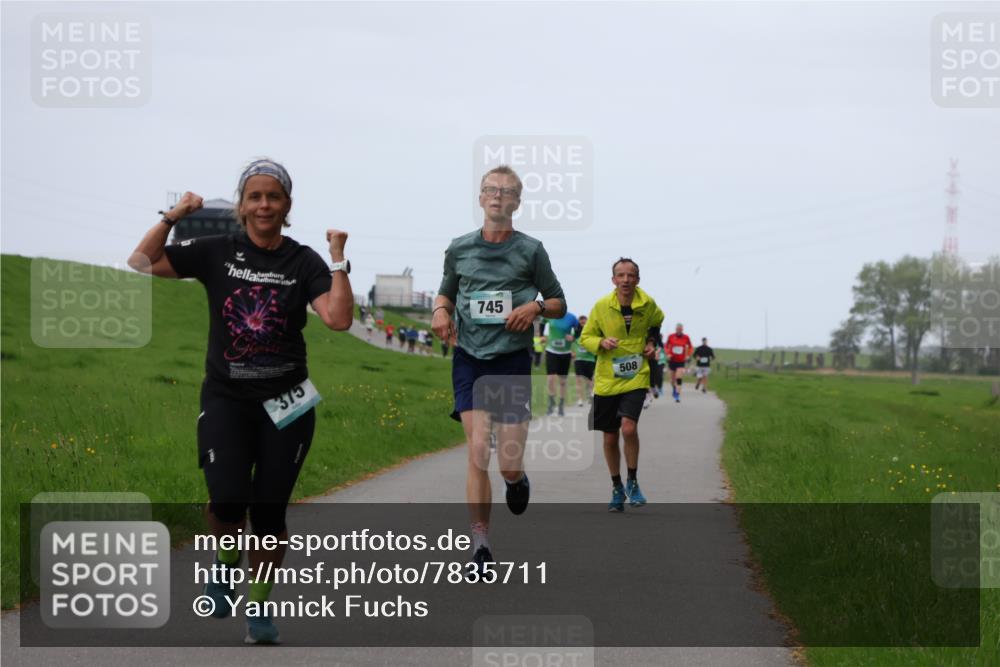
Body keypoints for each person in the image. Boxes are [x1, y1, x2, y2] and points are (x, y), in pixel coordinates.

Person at [127, 158, 353, 644]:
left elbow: (337, 319)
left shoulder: (305, 261)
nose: (264, 205)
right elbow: (141, 262)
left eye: (274, 196)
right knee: (228, 500)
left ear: (287, 205)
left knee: (269, 514)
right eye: (255, 196)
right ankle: (226, 563)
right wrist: (174, 217)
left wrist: (337, 259)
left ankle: (258, 606)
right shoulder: (216, 251)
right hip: (227, 397)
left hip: (288, 402)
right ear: (241, 204)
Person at [432, 165, 566, 571]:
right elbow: (446, 292)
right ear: (480, 198)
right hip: (470, 358)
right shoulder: (459, 248)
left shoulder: (531, 250)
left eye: (506, 192)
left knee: (507, 460)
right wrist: (440, 312)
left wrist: (535, 306)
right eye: (491, 189)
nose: (497, 196)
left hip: (510, 360)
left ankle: (515, 480)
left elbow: (558, 300)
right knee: (477, 452)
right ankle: (481, 546)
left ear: (517, 202)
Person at [580, 258, 663, 513]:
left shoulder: (647, 304)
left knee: (628, 429)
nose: (626, 280)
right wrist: (601, 343)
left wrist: (651, 343)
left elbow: (656, 323)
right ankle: (616, 486)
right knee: (610, 435)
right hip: (607, 378)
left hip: (636, 375)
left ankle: (633, 481)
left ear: (638, 279)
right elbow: (586, 337)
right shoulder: (602, 306)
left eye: (631, 275)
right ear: (613, 280)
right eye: (620, 275)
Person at [542, 311, 579, 416]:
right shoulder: (550, 314)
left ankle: (561, 406)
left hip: (565, 353)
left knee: (562, 381)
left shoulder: (571, 317)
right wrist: (542, 335)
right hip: (551, 351)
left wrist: (574, 337)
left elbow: (580, 329)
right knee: (550, 379)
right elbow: (541, 322)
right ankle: (551, 403)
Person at [664, 323, 694, 403]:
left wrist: (688, 355)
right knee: (672, 380)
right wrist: (668, 354)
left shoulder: (686, 337)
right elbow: (666, 346)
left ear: (682, 329)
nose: (679, 330)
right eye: (678, 329)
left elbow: (690, 347)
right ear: (676, 329)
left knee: (678, 377)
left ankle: (677, 395)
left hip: (681, 361)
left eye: (680, 329)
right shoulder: (671, 336)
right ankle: (674, 389)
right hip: (672, 360)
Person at [572, 315, 595, 407]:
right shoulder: (576, 333)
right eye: (581, 322)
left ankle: (591, 394)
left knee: (590, 380)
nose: (583, 323)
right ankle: (580, 399)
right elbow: (572, 342)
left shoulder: (592, 332)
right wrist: (572, 351)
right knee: (579, 380)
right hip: (579, 359)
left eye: (584, 321)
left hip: (590, 359)